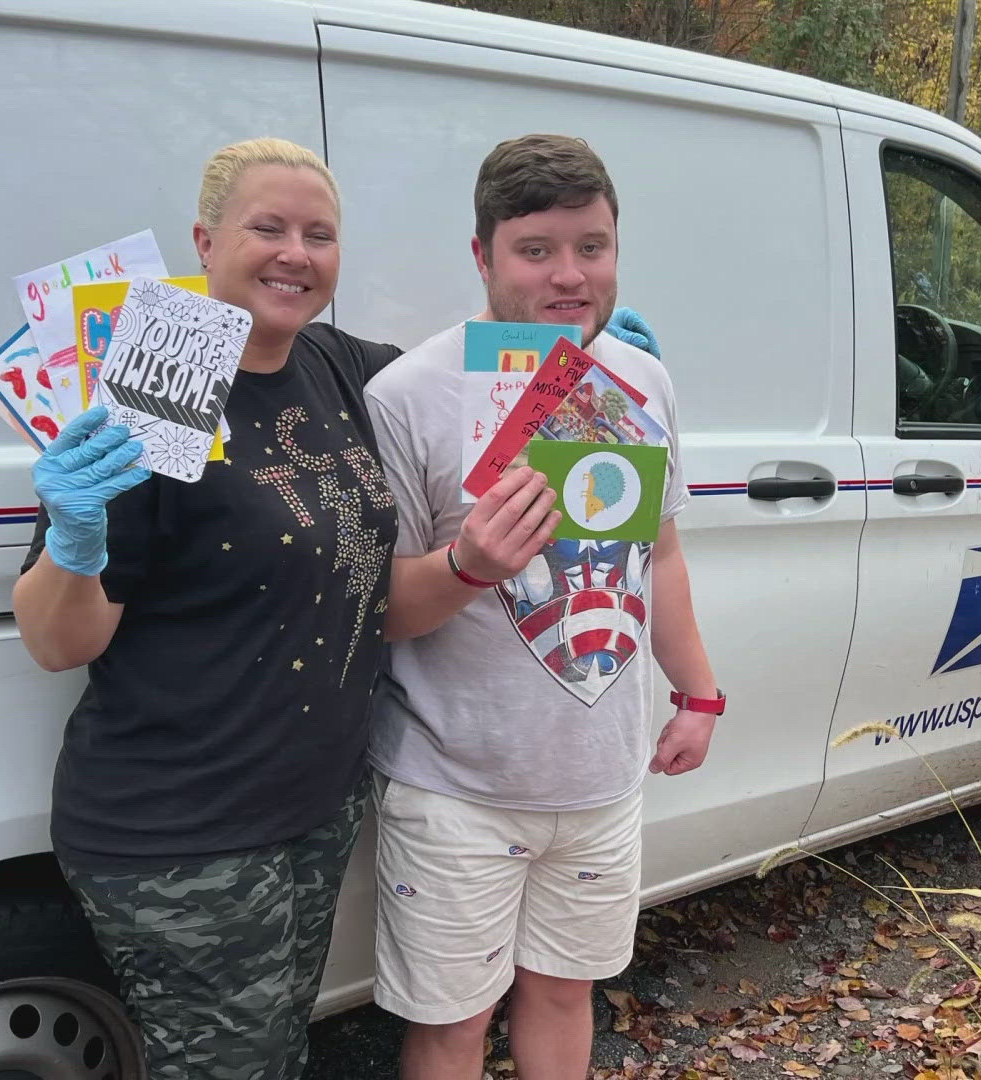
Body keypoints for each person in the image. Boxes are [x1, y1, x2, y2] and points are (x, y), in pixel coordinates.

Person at [11, 137, 658, 1080]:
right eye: (266, 227)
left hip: (311, 807)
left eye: (320, 234)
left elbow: (480, 374)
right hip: (180, 825)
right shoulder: (165, 377)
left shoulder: (338, 368)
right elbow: (58, 642)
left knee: (275, 1051)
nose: (295, 253)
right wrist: (75, 539)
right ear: (205, 238)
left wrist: (589, 363)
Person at [362, 133, 724, 1080]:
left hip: (601, 780)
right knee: (451, 1027)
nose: (570, 275)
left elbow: (662, 553)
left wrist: (697, 692)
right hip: (454, 789)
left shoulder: (641, 381)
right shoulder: (406, 397)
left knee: (566, 995)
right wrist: (471, 563)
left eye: (592, 246)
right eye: (536, 250)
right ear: (481, 256)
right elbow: (383, 610)